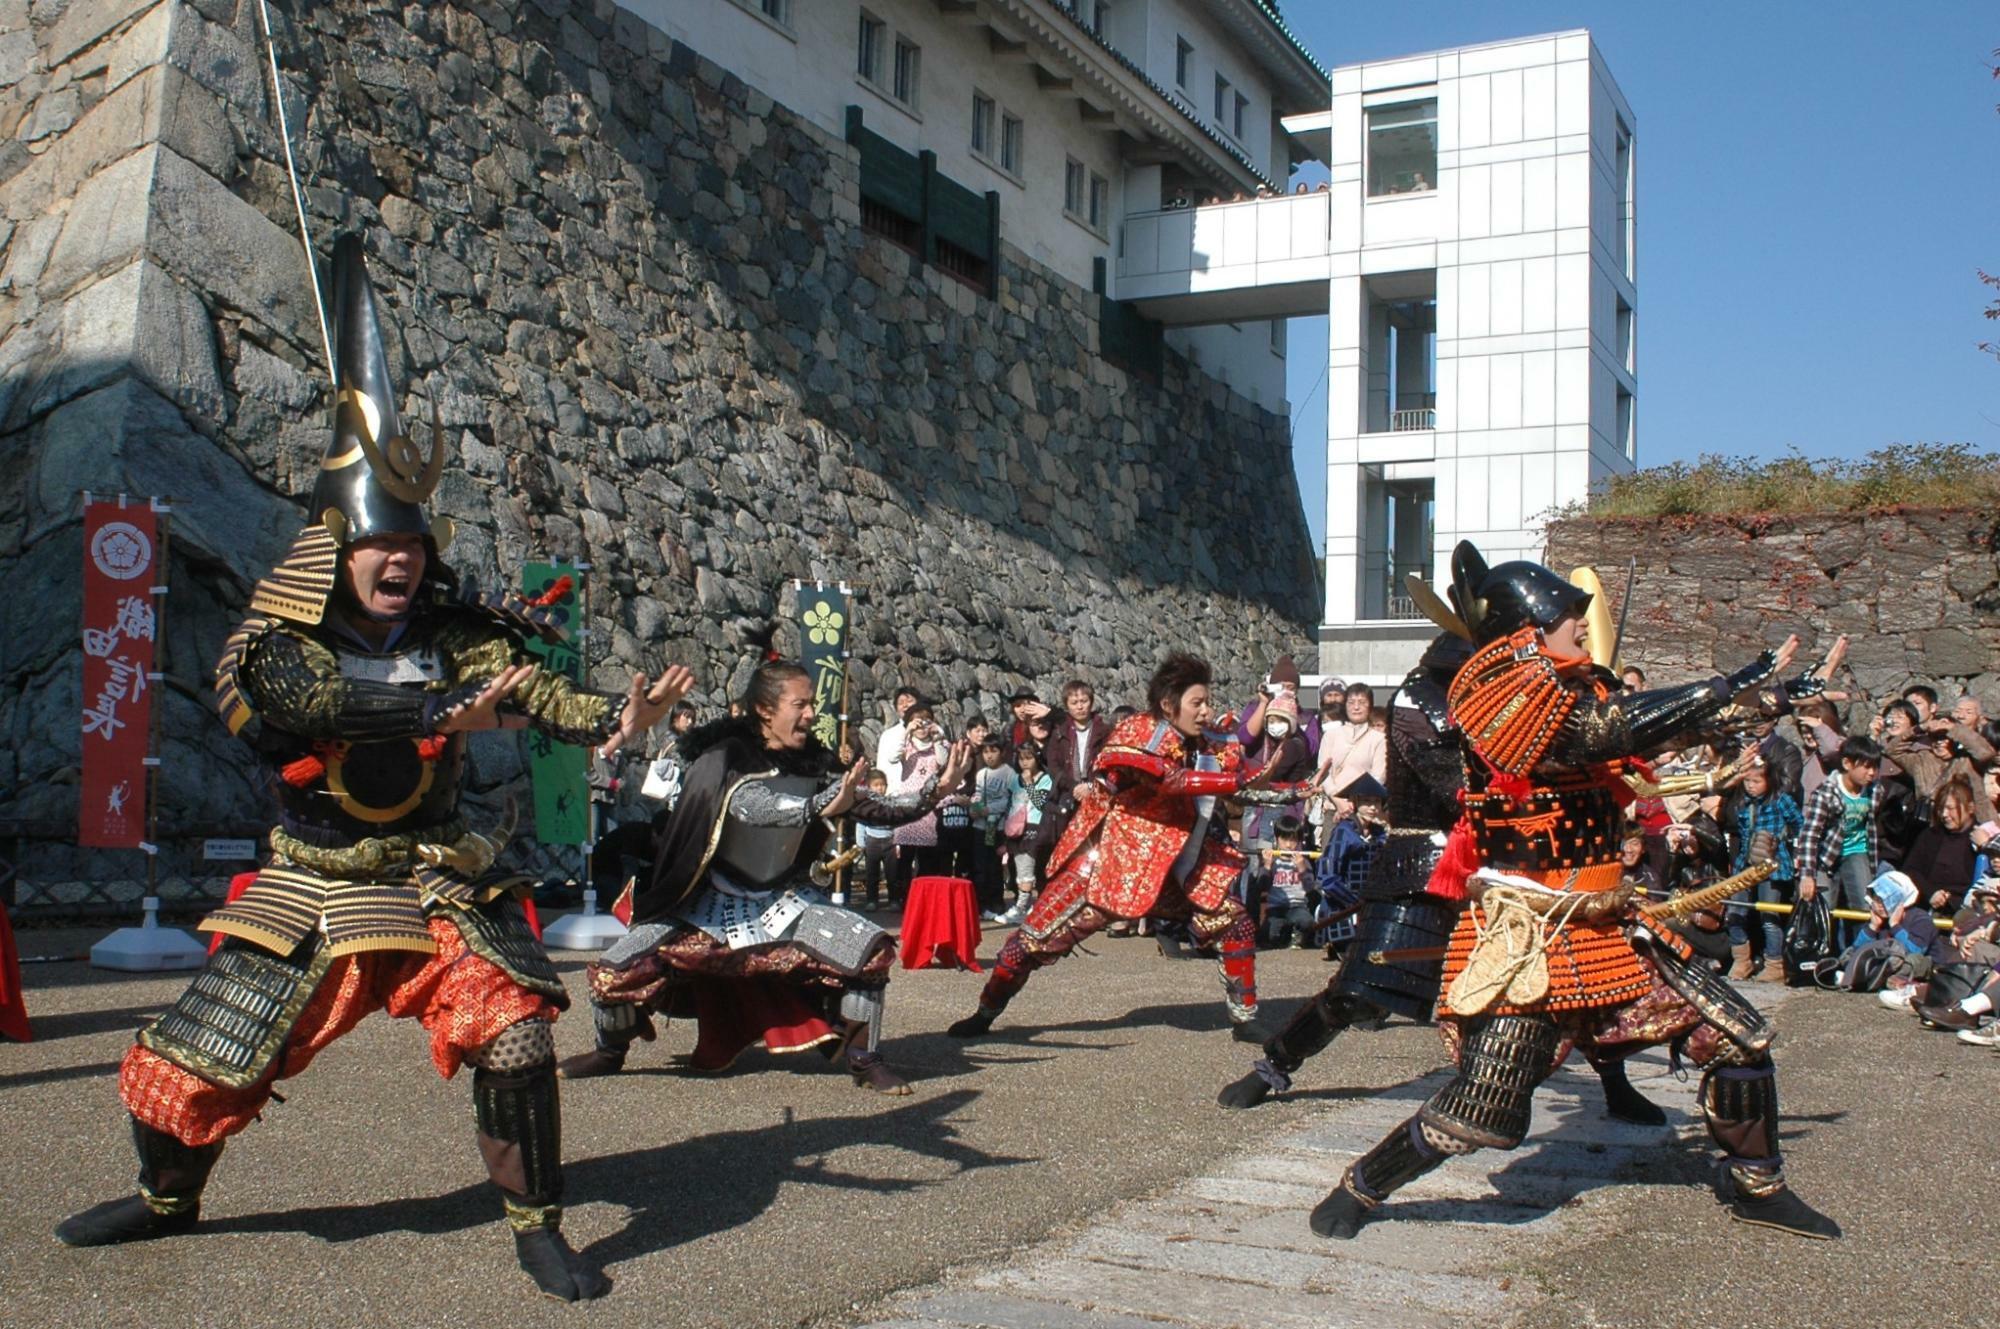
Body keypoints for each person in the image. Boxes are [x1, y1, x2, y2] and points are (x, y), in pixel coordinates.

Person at [53, 237, 693, 1300]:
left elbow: (526, 691)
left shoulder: (454, 632)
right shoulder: (282, 639)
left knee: (517, 1037)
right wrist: (438, 707)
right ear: (336, 553)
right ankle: (167, 1199)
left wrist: (610, 716)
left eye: (411, 549)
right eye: (378, 549)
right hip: (321, 879)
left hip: (437, 875)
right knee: (188, 1063)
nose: (400, 563)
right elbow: (300, 709)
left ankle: (538, 1225)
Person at [1303, 541, 1838, 1243]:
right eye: (1568, 616)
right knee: (1486, 1106)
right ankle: (1363, 1184)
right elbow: (1597, 732)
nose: (1584, 625)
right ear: (1528, 632)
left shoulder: (1579, 689)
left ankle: (1755, 1182)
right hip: (1536, 937)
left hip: (1607, 923)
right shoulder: (1498, 699)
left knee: (1737, 1036)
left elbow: (1648, 728)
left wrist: (1757, 700)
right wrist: (1718, 685)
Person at [1219, 631, 1670, 1131]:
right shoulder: (1422, 695)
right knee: (1357, 991)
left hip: (1510, 867)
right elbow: (1464, 788)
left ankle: (1615, 1085)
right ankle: (1274, 1066)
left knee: (1575, 982)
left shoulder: (1530, 692)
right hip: (1426, 865)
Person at [561, 657, 970, 1094]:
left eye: (812, 703)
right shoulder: (724, 759)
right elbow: (751, 806)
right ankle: (609, 1051)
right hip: (706, 905)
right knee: (614, 969)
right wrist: (816, 806)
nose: (812, 713)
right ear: (765, 710)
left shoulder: (813, 760)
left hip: (781, 900)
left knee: (868, 951)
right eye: (801, 704)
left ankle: (865, 1060)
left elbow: (874, 805)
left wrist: (938, 790)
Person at [947, 654, 1306, 1044]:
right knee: (1028, 942)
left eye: (1208, 702)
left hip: (1174, 862)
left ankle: (1244, 1018)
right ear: (1169, 704)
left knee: (1234, 921)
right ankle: (985, 1012)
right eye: (1197, 703)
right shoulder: (1136, 731)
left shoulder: (1211, 743)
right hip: (1106, 858)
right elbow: (1170, 780)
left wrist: (1296, 789)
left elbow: (1240, 783)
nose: (1206, 711)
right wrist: (1235, 782)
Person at [1799, 735, 1885, 950]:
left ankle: (1859, 956)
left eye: (1874, 767)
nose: (1871, 773)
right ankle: (1819, 959)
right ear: (1847, 764)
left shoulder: (1874, 791)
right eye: (1865, 767)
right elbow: (1810, 835)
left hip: (1857, 851)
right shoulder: (1826, 793)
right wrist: (1807, 874)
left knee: (1863, 907)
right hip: (1824, 856)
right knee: (1823, 909)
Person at [1726, 762, 1803, 979]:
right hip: (1745, 863)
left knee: (1769, 915)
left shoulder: (1781, 800)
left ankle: (1774, 965)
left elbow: (1800, 824)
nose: (1751, 786)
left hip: (1773, 865)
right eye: (1747, 781)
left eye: (1756, 781)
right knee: (1734, 911)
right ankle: (1742, 960)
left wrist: (1783, 840)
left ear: (1769, 780)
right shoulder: (1743, 802)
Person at [1039, 679, 1112, 853]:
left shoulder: (1105, 731)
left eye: (1084, 701)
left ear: (1091, 702)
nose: (1080, 707)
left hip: (1097, 794)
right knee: (1068, 849)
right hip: (1068, 795)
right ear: (1067, 706)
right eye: (1074, 703)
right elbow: (1054, 766)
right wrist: (1074, 787)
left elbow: (1109, 762)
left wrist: (1091, 786)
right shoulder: (1059, 733)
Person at [1901, 779, 1986, 913]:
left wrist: (1985, 845)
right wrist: (1930, 893)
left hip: (1967, 909)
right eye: (1941, 809)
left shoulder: (1983, 836)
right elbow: (1910, 870)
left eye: (1950, 809)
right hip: (1928, 906)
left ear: (1970, 808)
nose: (1944, 815)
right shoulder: (1931, 836)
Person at [999, 740, 1052, 925]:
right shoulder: (1015, 779)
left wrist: (1030, 783)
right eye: (1021, 759)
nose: (1025, 763)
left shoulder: (1045, 778)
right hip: (1016, 830)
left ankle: (1021, 907)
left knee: (1027, 868)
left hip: (1034, 827)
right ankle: (1025, 905)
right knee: (1019, 867)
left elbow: (1040, 804)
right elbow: (1009, 804)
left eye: (1029, 758)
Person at [972, 737, 1022, 919]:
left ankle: (996, 902)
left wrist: (989, 809)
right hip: (981, 825)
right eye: (986, 752)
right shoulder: (981, 774)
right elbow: (977, 794)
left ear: (1002, 752)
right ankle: (981, 903)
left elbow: (1011, 798)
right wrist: (975, 808)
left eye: (993, 751)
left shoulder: (1009, 773)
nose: (989, 756)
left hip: (997, 825)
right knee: (980, 865)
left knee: (994, 866)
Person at [1313, 682, 1386, 805]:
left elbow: (1378, 777)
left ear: (1370, 706)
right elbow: (1322, 771)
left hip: (1363, 807)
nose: (1356, 707)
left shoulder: (1379, 739)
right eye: (1351, 703)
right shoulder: (1331, 735)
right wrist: (1337, 800)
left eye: (1362, 702)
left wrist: (1354, 800)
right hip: (1331, 805)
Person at [1251, 815, 1318, 947]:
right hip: (1276, 907)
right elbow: (1261, 886)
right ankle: (1285, 934)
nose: (1288, 845)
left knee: (1307, 923)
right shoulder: (1273, 861)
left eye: (1293, 840)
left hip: (1297, 906)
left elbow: (1310, 887)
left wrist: (1302, 868)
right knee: (1270, 936)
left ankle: (1296, 934)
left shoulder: (1303, 861)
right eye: (1284, 839)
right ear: (1276, 839)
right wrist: (1267, 866)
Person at [854, 771, 898, 911]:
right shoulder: (866, 805)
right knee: (872, 874)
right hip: (872, 842)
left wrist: (898, 841)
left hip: (890, 842)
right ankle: (872, 900)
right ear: (869, 787)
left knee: (892, 874)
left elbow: (898, 822)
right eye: (876, 785)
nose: (880, 788)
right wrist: (861, 843)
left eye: (882, 785)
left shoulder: (891, 803)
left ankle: (894, 900)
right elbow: (860, 824)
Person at [875, 686, 922, 780]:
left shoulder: (928, 729)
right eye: (901, 703)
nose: (905, 705)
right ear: (896, 709)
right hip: (896, 790)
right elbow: (882, 766)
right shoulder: (888, 735)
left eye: (909, 701)